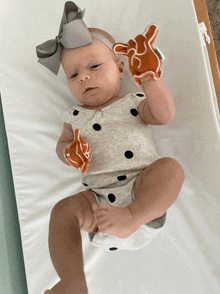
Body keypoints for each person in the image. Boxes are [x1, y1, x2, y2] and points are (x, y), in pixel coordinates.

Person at [36, 2, 185, 293]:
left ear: (119, 69)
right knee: (63, 212)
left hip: (140, 191)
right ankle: (73, 279)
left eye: (94, 66)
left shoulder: (132, 102)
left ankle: (133, 217)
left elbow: (163, 115)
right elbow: (62, 146)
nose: (84, 77)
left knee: (170, 168)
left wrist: (150, 80)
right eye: (73, 74)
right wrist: (69, 153)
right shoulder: (73, 116)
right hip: (97, 202)